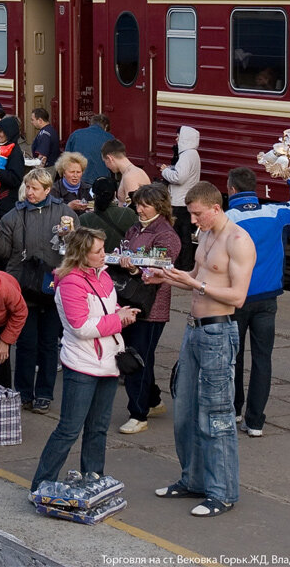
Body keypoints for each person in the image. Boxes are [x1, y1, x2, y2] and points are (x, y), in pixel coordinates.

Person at [150, 181, 256, 518]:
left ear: (214, 207)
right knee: (185, 412)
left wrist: (196, 284)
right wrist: (165, 277)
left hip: (218, 333)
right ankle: (193, 479)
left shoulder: (238, 240)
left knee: (216, 415)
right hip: (194, 331)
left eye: (197, 214)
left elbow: (237, 297)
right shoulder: (207, 235)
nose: (193, 221)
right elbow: (194, 274)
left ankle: (222, 492)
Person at [30, 227, 139, 490]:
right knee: (69, 429)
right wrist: (118, 320)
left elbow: (103, 309)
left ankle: (94, 479)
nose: (105, 254)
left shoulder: (103, 276)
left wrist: (119, 310)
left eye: (104, 248)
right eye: (98, 251)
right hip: (82, 365)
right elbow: (81, 327)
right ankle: (41, 485)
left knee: (98, 428)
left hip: (108, 363)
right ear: (81, 254)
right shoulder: (70, 282)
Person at [225, 164, 290, 438]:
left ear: (231, 190)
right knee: (262, 359)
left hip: (236, 299)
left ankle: (234, 410)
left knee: (233, 358)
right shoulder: (275, 213)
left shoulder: (226, 220)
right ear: (253, 189)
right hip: (268, 300)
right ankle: (255, 422)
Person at [0, 167, 72, 412]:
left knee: (49, 344)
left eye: (34, 188)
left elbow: (76, 248)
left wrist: (70, 237)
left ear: (47, 190)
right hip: (22, 288)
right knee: (26, 343)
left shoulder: (64, 213)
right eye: (27, 187)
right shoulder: (13, 216)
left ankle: (44, 394)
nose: (29, 193)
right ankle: (23, 393)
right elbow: (0, 252)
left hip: (53, 287)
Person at [115, 183, 182, 435]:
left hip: (151, 307)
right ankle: (153, 400)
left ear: (160, 206)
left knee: (137, 358)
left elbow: (160, 268)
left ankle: (138, 413)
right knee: (141, 355)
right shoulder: (135, 228)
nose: (139, 209)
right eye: (137, 204)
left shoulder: (165, 235)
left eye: (144, 205)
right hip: (131, 302)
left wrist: (133, 269)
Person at [161, 125, 202, 271]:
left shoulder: (186, 156)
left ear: (185, 138)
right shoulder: (194, 155)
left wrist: (165, 171)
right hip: (187, 200)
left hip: (178, 202)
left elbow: (179, 177)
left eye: (178, 136)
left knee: (177, 236)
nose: (176, 139)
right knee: (185, 236)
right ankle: (186, 264)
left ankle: (180, 265)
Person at [79, 176, 137, 246]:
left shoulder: (83, 219)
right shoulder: (129, 213)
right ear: (115, 194)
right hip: (123, 256)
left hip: (94, 256)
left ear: (94, 195)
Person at [64, 113, 114, 185]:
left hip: (78, 178)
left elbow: (66, 158)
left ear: (91, 123)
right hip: (100, 180)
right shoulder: (109, 137)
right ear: (106, 126)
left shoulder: (75, 134)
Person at [100, 139, 150, 207]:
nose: (106, 165)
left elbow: (132, 209)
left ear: (110, 158)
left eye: (104, 161)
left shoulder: (130, 177)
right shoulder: (134, 172)